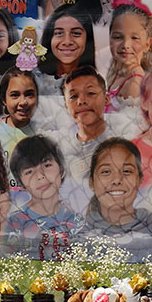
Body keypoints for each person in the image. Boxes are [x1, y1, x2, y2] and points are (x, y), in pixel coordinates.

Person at [3, 135, 80, 259]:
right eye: (29, 172)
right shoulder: (15, 223)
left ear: (62, 170)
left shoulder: (76, 220)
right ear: (21, 183)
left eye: (47, 165)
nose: (40, 176)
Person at [81, 138, 152, 256]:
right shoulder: (78, 233)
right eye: (106, 171)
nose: (117, 180)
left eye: (127, 171)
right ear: (91, 182)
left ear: (140, 180)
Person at [57, 65, 112, 216]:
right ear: (66, 105)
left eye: (91, 93)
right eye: (73, 96)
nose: (81, 101)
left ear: (107, 99)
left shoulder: (121, 141)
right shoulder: (61, 150)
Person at [106, 0, 152, 109]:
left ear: (147, 44)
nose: (125, 45)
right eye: (118, 37)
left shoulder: (134, 85)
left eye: (134, 38)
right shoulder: (114, 72)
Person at [36, 5, 96, 96]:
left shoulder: (96, 84)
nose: (67, 42)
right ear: (49, 38)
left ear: (87, 39)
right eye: (59, 33)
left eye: (76, 33)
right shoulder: (34, 80)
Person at [0, 67, 40, 160]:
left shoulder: (42, 131)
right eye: (15, 95)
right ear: (4, 99)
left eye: (29, 94)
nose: (23, 102)